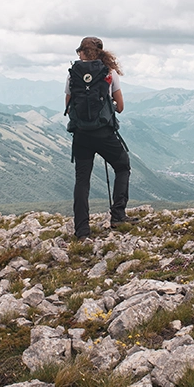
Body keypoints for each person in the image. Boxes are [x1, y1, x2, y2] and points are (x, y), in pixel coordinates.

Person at [64, 36, 132, 238]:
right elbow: (120, 107)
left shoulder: (72, 74)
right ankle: (118, 215)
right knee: (122, 166)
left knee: (82, 180)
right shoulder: (109, 73)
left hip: (81, 135)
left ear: (81, 53)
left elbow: (68, 106)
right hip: (104, 134)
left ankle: (82, 230)